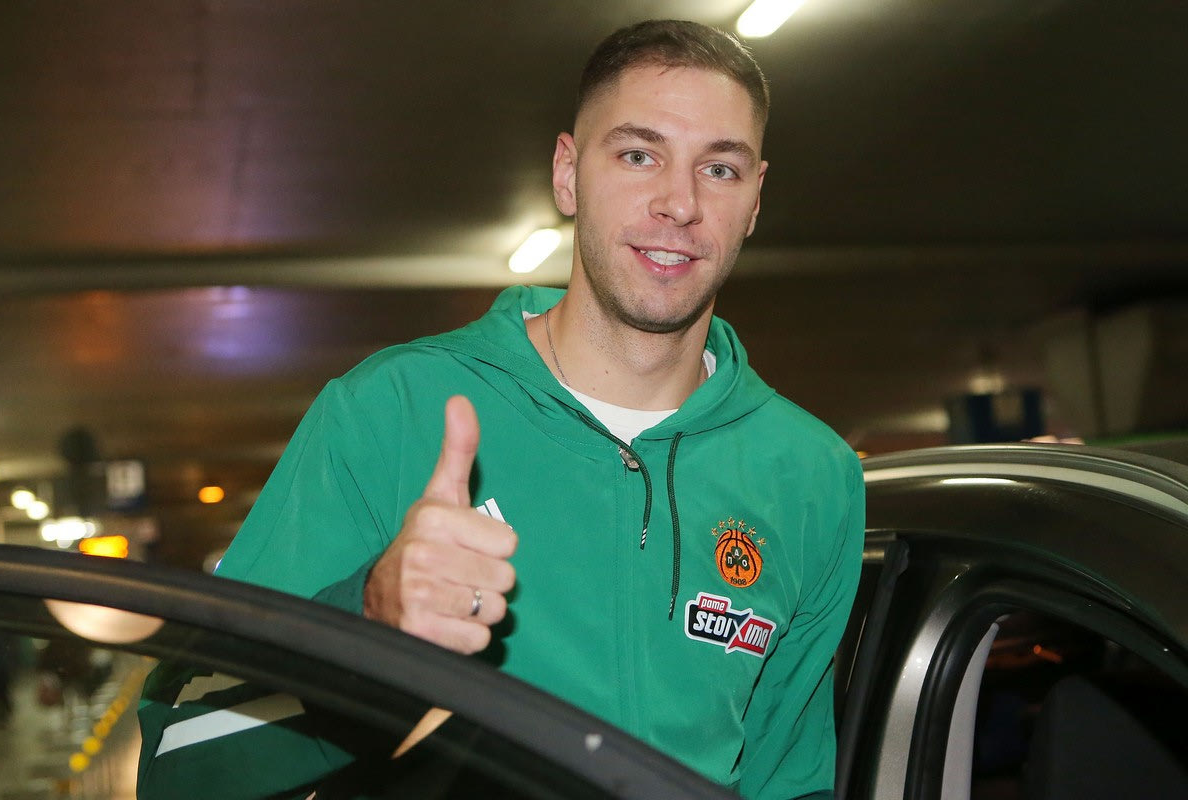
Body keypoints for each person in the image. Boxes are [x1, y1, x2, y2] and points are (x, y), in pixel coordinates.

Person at [138, 19, 864, 800]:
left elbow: (790, 781)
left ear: (754, 199)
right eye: (638, 155)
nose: (679, 204)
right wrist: (367, 629)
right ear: (567, 174)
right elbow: (181, 758)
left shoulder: (811, 473)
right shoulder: (392, 410)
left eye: (719, 169)